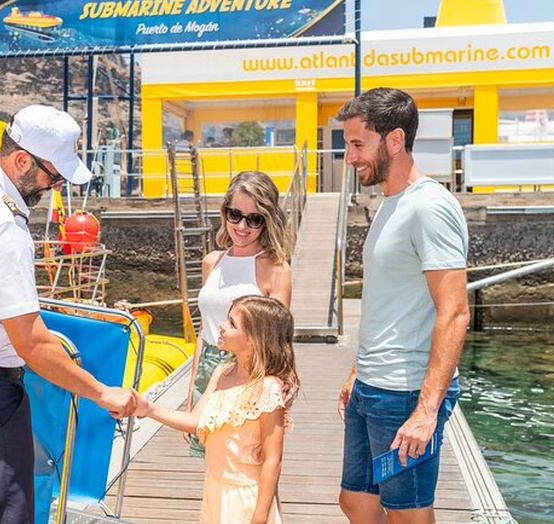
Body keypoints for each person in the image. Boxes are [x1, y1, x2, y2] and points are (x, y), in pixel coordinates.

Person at [0, 104, 136, 524]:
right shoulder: (3, 224)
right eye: (52, 177)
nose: (52, 188)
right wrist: (101, 392)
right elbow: (31, 342)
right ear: (21, 160)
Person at [334, 87, 470, 524]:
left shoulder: (430, 207)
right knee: (356, 502)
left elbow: (454, 312)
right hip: (372, 387)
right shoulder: (392, 204)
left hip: (406, 394)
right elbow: (389, 300)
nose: (350, 158)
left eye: (358, 144)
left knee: (407, 514)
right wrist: (358, 369)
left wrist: (426, 411)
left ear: (395, 140)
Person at [135, 295, 300, 524]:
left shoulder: (267, 388)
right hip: (215, 491)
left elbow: (273, 460)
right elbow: (195, 421)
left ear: (254, 339)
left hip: (246, 497)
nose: (222, 325)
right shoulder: (222, 372)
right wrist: (147, 408)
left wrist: (260, 516)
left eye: (232, 323)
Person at [186, 170, 292, 457]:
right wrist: (191, 395)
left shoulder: (276, 269)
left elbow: (278, 341)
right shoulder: (212, 262)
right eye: (235, 214)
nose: (242, 225)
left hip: (250, 373)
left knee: (251, 465)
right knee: (214, 464)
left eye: (254, 218)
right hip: (209, 369)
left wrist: (281, 387)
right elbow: (203, 333)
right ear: (225, 212)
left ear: (267, 221)